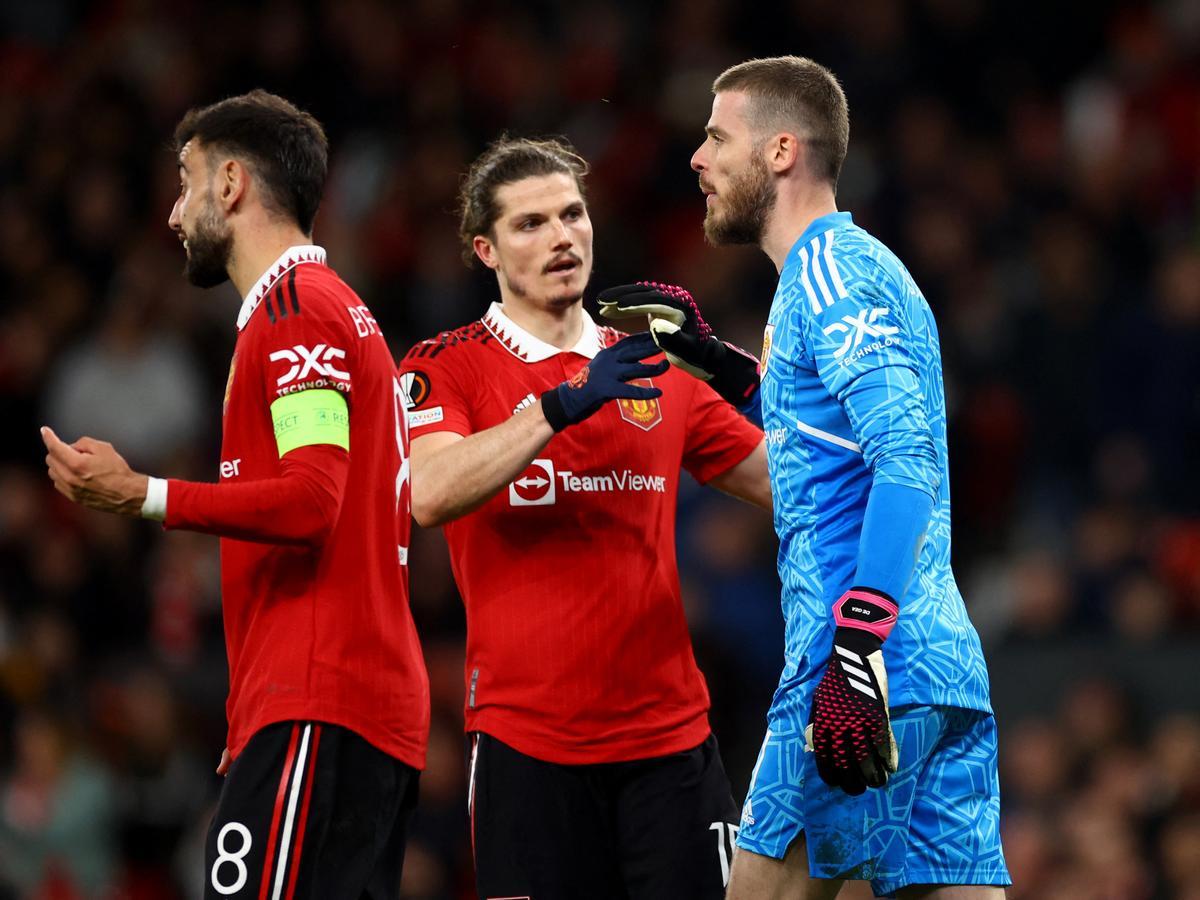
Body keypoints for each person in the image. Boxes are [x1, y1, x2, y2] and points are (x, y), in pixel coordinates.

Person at [598, 57, 1010, 898]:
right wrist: (717, 362)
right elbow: (829, 426)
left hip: (855, 665)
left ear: (781, 150)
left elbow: (906, 466)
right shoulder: (853, 270)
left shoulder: (828, 276)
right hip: (937, 671)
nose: (697, 159)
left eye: (717, 137)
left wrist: (856, 647)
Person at [40, 90, 429, 900]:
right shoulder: (341, 312)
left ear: (229, 184)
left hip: (318, 701)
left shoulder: (297, 311)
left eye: (183, 184)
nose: (174, 214)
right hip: (351, 708)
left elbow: (311, 501)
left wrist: (142, 494)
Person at [398, 136, 771, 899]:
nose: (562, 236)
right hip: (527, 749)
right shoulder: (446, 365)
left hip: (670, 746)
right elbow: (431, 492)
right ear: (486, 249)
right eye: (530, 223)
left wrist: (748, 382)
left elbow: (798, 485)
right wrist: (560, 405)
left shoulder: (655, 368)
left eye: (572, 214)